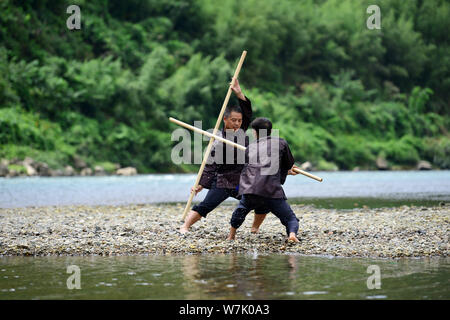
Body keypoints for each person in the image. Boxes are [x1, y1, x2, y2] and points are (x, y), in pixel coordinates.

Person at [180, 79, 268, 234]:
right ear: (225, 119)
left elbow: (247, 112)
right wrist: (201, 184)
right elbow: (211, 164)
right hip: (223, 180)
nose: (237, 123)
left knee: (261, 201)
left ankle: (255, 228)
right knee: (206, 205)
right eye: (233, 120)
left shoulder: (241, 131)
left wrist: (239, 93)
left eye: (239, 121)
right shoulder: (218, 139)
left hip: (241, 180)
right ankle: (185, 226)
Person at [227, 117, 301, 242]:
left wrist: (285, 170)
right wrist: (287, 171)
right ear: (270, 131)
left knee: (241, 210)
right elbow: (288, 164)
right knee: (290, 218)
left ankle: (231, 236)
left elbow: (249, 169)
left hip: (250, 190)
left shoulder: (250, 147)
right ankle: (292, 234)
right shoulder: (281, 143)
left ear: (255, 132)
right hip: (271, 190)